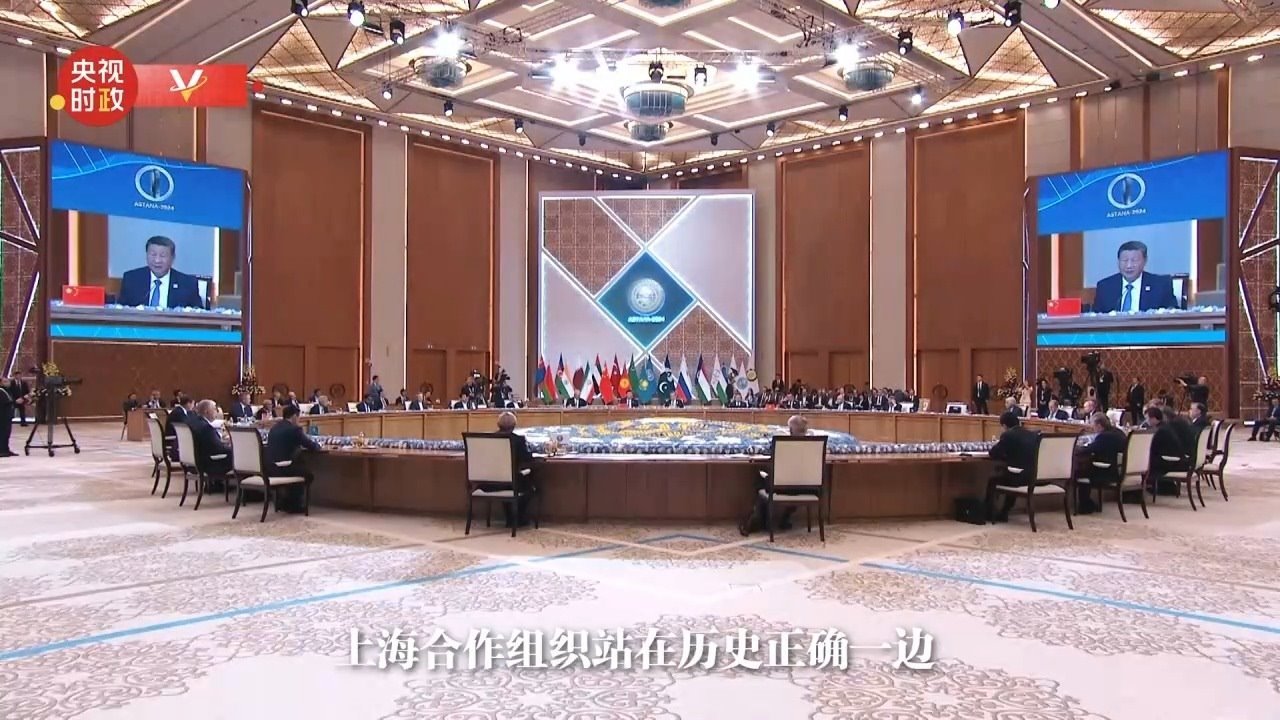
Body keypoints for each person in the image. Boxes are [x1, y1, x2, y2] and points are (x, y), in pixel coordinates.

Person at [739, 415, 810, 536]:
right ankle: (784, 519)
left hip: (781, 487)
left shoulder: (782, 444)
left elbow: (773, 462)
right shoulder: (815, 445)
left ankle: (756, 520)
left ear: (790, 430)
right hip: (806, 487)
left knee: (760, 477)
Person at [117, 236, 204, 309]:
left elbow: (198, 314)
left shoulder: (187, 283)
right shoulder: (131, 279)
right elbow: (120, 310)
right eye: (153, 254)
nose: (157, 260)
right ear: (146, 255)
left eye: (163, 256)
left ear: (173, 258)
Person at [1092, 240, 1179, 313]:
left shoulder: (1161, 285)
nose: (1129, 265)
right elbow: (1095, 317)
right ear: (1118, 261)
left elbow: (1172, 313)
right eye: (1125, 260)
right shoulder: (1105, 287)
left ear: (1145, 261)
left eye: (1134, 260)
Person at [984, 411, 1039, 523]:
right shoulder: (1032, 435)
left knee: (994, 480)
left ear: (1004, 426)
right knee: (1010, 474)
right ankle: (1004, 511)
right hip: (1033, 477)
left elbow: (993, 453)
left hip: (1020, 478)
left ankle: (989, 513)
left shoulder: (1008, 435)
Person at [266, 405, 322, 513]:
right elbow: (311, 446)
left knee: (299, 465)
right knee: (308, 474)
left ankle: (285, 501)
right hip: (284, 467)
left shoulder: (274, 428)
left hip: (270, 468)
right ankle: (294, 504)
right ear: (294, 416)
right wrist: (318, 445)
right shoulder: (295, 429)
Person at [486, 411, 536, 527]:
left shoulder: (489, 439)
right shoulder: (518, 440)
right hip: (512, 483)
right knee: (530, 485)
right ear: (514, 426)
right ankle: (518, 518)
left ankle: (510, 518)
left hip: (490, 483)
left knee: (512, 480)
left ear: (498, 424)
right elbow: (527, 459)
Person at [1076, 412, 1126, 514]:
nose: (1093, 428)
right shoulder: (1118, 432)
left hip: (1106, 472)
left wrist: (1077, 447)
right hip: (1117, 469)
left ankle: (1085, 505)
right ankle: (1088, 504)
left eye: (1093, 426)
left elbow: (1089, 449)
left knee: (1079, 472)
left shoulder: (1104, 436)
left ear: (1099, 425)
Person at [188, 399, 233, 479]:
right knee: (237, 456)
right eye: (215, 409)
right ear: (206, 411)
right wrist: (232, 447)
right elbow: (218, 448)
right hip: (207, 465)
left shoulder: (194, 423)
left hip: (192, 463)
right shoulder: (206, 427)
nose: (217, 412)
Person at [0, 378, 13, 457]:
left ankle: (6, 449)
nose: (8, 383)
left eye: (8, 381)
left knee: (7, 433)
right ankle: (2, 450)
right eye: (5, 382)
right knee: (3, 433)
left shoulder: (7, 391)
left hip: (7, 416)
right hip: (2, 416)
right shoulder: (1, 391)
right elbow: (5, 402)